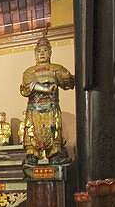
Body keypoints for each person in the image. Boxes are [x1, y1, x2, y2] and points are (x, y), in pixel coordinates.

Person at [20, 30, 74, 165]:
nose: (42, 54)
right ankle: (32, 155)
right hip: (34, 108)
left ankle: (54, 154)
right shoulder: (29, 71)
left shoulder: (56, 68)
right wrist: (45, 88)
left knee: (54, 131)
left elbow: (68, 83)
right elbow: (28, 87)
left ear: (50, 52)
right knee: (32, 132)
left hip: (51, 107)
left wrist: (67, 77)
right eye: (39, 51)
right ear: (35, 54)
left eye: (45, 51)